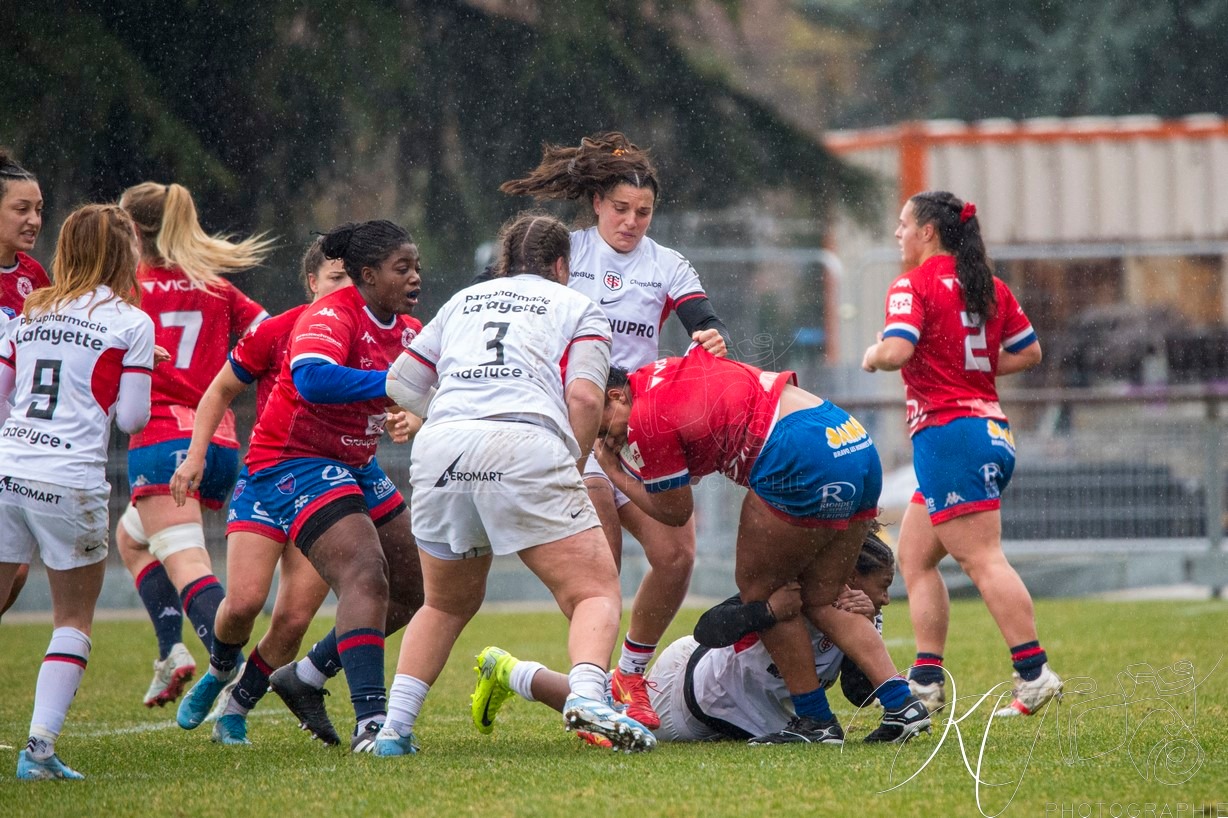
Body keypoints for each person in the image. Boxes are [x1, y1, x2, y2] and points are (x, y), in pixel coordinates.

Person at [375, 212, 654, 755]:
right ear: (560, 265)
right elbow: (586, 399)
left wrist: (457, 410)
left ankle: (393, 731)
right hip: (525, 443)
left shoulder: (461, 301)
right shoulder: (579, 305)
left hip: (443, 448)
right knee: (595, 590)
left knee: (445, 603)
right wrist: (572, 460)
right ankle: (590, 695)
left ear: (504, 263)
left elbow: (400, 382)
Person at [500, 132, 730, 729]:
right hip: (575, 427)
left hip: (633, 433)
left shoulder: (666, 263)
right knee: (602, 567)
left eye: (644, 212)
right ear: (597, 202)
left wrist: (710, 336)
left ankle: (630, 673)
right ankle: (596, 694)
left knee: (677, 554)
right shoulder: (565, 255)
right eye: (621, 209)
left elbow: (702, 319)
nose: (631, 222)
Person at [592, 351, 930, 743]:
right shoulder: (661, 373)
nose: (606, 439)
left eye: (601, 429)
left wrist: (614, 470)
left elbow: (675, 512)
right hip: (849, 436)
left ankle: (815, 721)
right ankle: (902, 704)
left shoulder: (645, 418)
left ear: (616, 395)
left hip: (796, 450)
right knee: (826, 597)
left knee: (762, 593)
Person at [861, 191, 1060, 719]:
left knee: (982, 558)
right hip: (987, 429)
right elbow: (1030, 351)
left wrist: (873, 353)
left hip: (951, 435)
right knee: (917, 557)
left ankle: (1034, 672)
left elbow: (898, 350)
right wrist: (970, 373)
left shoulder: (912, 285)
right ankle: (926, 681)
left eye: (903, 224)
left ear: (928, 231)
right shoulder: (987, 285)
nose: (897, 233)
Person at [233, 219, 424, 752]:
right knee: (365, 571)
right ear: (367, 274)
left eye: (417, 267)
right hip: (292, 458)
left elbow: (433, 385)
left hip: (354, 462)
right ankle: (372, 722)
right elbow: (311, 378)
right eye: (401, 268)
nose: (414, 277)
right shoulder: (332, 313)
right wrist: (395, 386)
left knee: (415, 588)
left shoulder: (409, 329)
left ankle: (307, 676)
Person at [166, 238, 352, 745]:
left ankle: (236, 709)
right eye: (336, 278)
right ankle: (220, 668)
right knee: (244, 602)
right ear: (313, 283)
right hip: (268, 481)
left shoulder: (367, 334)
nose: (347, 289)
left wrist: (408, 414)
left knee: (293, 619)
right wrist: (196, 454)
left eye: (355, 279)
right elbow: (220, 390)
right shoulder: (278, 329)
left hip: (330, 486)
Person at [470, 530, 896, 745]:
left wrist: (863, 634)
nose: (888, 598)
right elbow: (708, 629)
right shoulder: (796, 592)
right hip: (693, 687)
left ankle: (514, 671)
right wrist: (766, 612)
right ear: (852, 576)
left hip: (738, 703)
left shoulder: (860, 617)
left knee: (608, 708)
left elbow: (859, 695)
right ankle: (510, 670)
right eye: (884, 584)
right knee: (615, 719)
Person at [0, 204, 156, 779]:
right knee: (71, 621)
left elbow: (4, 394)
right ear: (123, 254)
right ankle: (38, 751)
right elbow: (134, 419)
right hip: (70, 479)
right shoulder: (132, 322)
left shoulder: (31, 308)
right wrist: (128, 378)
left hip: (8, 466)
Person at [115, 182, 272, 710]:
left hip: (161, 442)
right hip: (218, 444)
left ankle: (234, 681)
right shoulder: (217, 288)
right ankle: (170, 653)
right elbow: (270, 335)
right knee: (132, 538)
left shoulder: (126, 288)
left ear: (132, 230)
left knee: (189, 569)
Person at [0, 148, 50, 618]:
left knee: (14, 571)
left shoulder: (33, 278)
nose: (33, 220)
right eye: (21, 208)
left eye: (38, 209)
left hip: (13, 440)